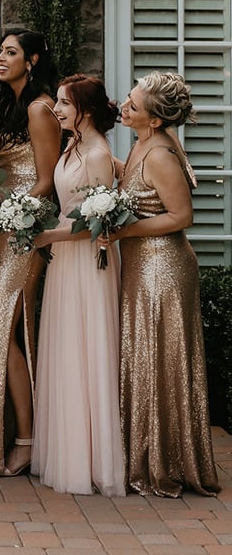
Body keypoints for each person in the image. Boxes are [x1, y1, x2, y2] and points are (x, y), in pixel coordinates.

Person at [113, 71, 219, 497]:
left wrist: (121, 232)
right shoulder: (141, 144)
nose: (124, 106)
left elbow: (180, 217)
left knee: (160, 360)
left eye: (133, 105)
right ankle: (144, 452)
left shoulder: (159, 153)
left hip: (163, 270)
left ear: (154, 120)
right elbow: (137, 189)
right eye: (128, 98)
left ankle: (165, 462)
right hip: (142, 267)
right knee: (144, 356)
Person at [30, 74, 125, 496]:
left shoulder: (99, 153)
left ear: (84, 109)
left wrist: (47, 235)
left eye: (65, 103)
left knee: (87, 349)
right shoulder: (73, 145)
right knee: (66, 348)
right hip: (64, 260)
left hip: (88, 262)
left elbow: (98, 225)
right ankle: (65, 449)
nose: (57, 109)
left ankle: (92, 459)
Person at [0, 28, 60, 478]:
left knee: (8, 330)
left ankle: (26, 440)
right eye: (0, 51)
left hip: (25, 231)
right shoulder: (8, 108)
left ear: (33, 60)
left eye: (11, 52)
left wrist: (14, 218)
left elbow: (47, 181)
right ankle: (6, 434)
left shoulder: (42, 109)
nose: (1, 58)